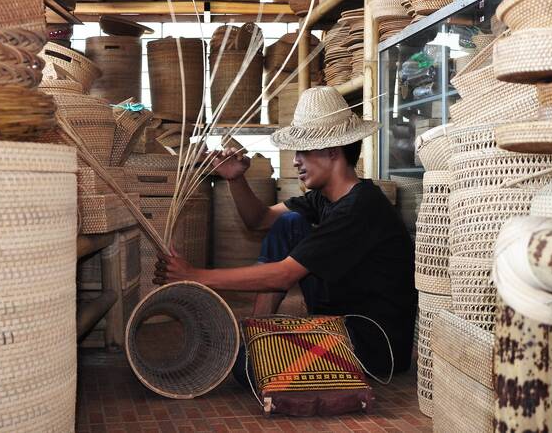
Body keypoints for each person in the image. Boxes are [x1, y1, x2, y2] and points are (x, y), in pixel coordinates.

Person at [154, 86, 416, 377]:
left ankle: (259, 350)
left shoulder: (360, 208)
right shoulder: (325, 198)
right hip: (339, 320)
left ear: (332, 151)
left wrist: (195, 276)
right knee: (287, 223)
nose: (295, 161)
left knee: (246, 369)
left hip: (373, 346)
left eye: (303, 151)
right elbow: (260, 219)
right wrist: (236, 180)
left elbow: (284, 274)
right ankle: (257, 334)